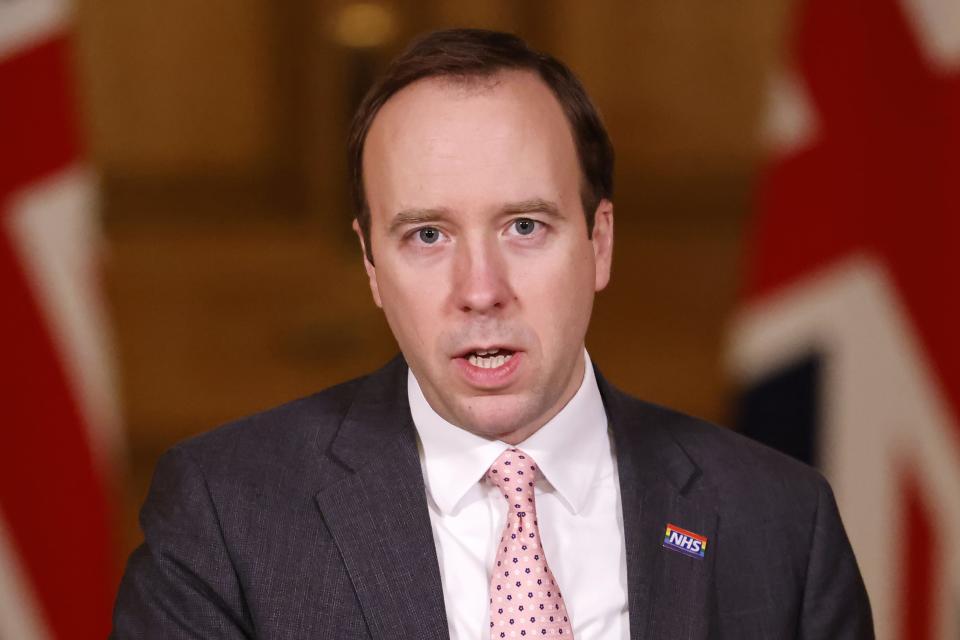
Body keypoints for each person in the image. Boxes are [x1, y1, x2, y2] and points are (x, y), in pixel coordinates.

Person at [112, 29, 873, 639]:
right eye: (427, 237)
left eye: (524, 226)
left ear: (598, 243)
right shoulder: (223, 516)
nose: (480, 291)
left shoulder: (778, 521)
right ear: (373, 265)